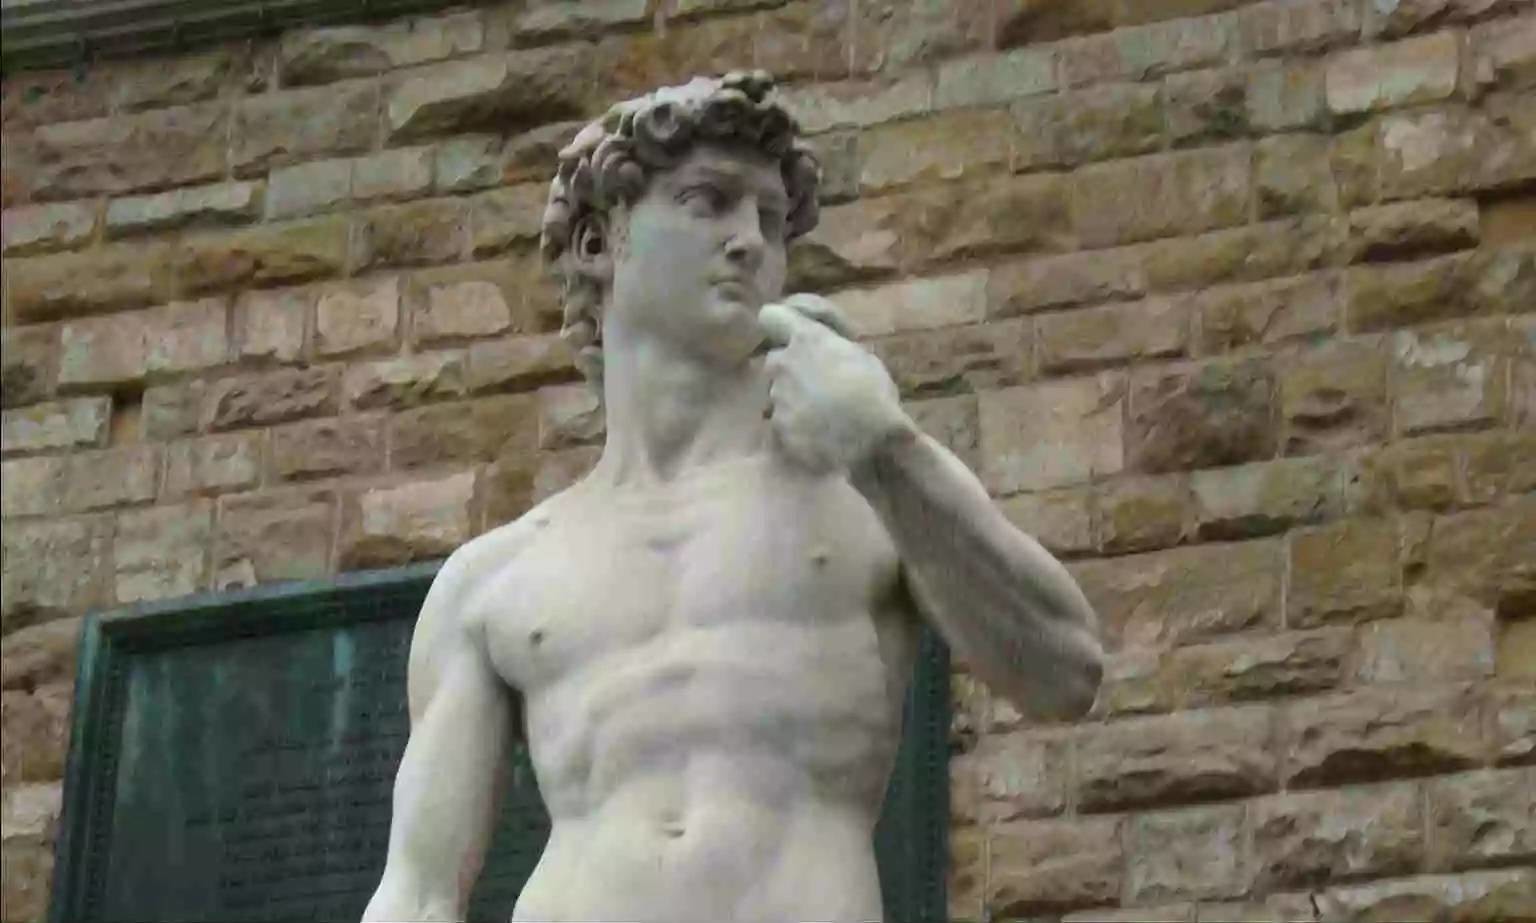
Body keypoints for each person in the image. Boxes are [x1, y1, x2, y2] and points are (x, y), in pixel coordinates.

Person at [363, 71, 1103, 923]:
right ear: (600, 243)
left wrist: (887, 446)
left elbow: (1066, 671)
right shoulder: (494, 579)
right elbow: (416, 894)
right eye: (708, 202)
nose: (749, 241)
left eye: (771, 219)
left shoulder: (867, 493)